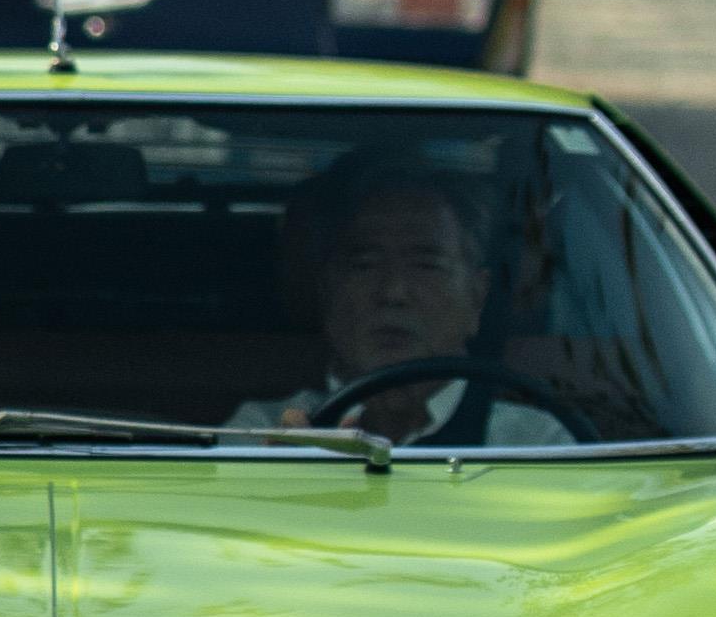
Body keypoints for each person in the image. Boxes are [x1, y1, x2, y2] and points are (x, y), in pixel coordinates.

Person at [230, 159, 565, 446]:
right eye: (365, 265)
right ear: (328, 292)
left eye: (426, 266)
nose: (393, 293)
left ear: (477, 297)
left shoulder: (532, 443)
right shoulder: (260, 433)